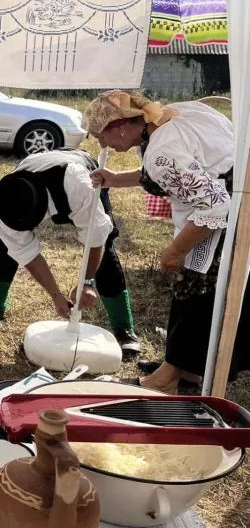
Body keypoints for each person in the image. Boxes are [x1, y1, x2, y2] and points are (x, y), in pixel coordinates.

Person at [86, 90, 248, 393]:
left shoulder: (162, 150)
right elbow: (189, 169)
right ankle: (188, 369)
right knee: (204, 294)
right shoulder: (170, 116)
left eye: (100, 136)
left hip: (230, 213)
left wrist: (176, 249)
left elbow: (214, 205)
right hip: (238, 198)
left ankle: (169, 378)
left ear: (119, 126)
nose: (102, 144)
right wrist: (116, 178)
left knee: (196, 291)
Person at [0, 148, 140, 354]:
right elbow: (27, 254)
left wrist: (87, 282)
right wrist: (56, 295)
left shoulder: (79, 186)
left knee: (107, 247)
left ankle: (124, 330)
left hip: (78, 170)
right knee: (2, 246)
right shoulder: (6, 201)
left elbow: (95, 239)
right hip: (35, 168)